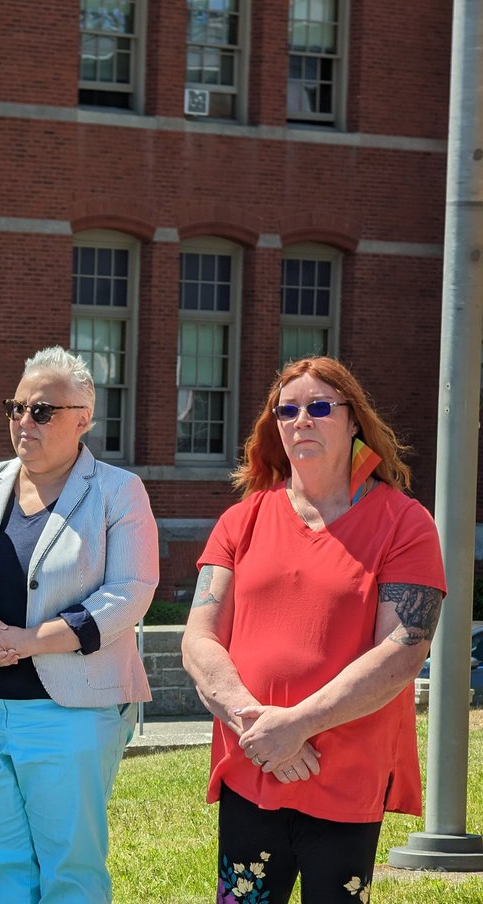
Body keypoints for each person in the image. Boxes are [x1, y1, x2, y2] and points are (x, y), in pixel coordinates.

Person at [182, 356, 445, 903]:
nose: (301, 420)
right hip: (251, 764)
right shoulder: (242, 519)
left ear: (354, 421)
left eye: (320, 407)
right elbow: (199, 638)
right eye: (288, 410)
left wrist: (297, 725)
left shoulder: (404, 522)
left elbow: (402, 651)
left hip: (345, 772)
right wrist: (257, 728)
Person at [0, 346, 159, 903]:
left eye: (42, 411)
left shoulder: (118, 491)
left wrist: (31, 641)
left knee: (70, 870)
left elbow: (131, 593)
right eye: (16, 407)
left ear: (84, 418)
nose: (24, 421)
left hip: (72, 712)